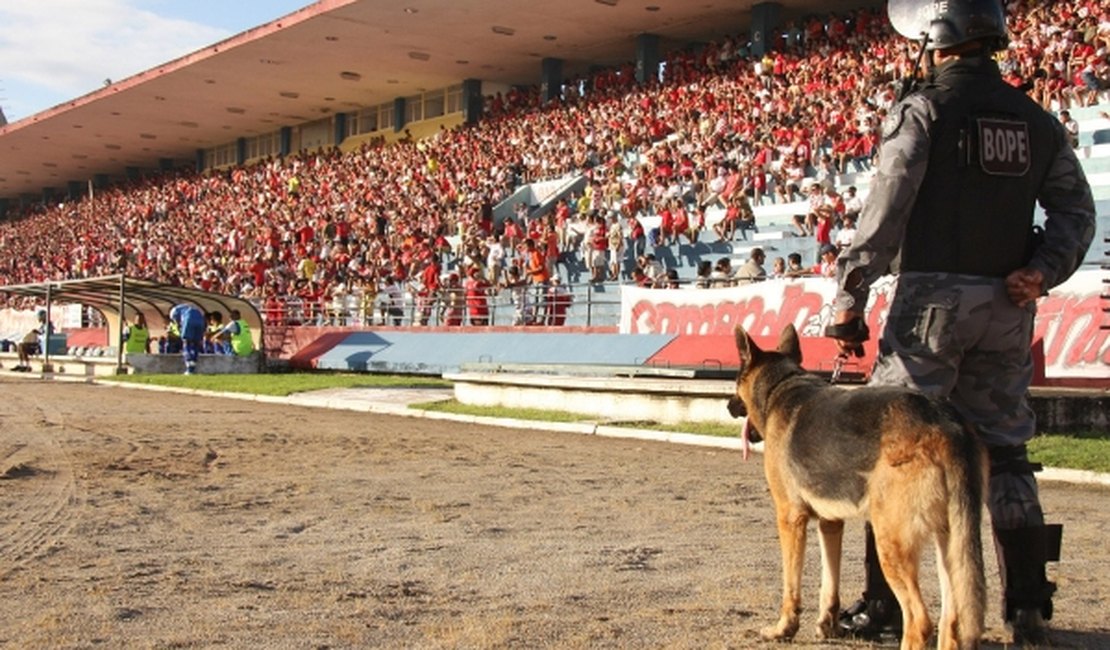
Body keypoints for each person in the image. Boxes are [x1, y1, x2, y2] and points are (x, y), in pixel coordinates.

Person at [827, 0, 1096, 644]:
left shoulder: (922, 109)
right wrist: (1043, 269)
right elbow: (1077, 212)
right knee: (1006, 450)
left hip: (931, 305)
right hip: (1007, 305)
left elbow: (887, 207)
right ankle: (1028, 604)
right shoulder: (1038, 120)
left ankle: (885, 608)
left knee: (895, 450)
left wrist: (850, 292)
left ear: (938, 40)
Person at [169, 303, 206, 375]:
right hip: (200, 320)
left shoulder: (174, 310)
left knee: (186, 342)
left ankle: (189, 367)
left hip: (188, 319)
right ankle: (193, 364)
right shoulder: (190, 306)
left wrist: (180, 330)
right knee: (196, 343)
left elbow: (177, 323)